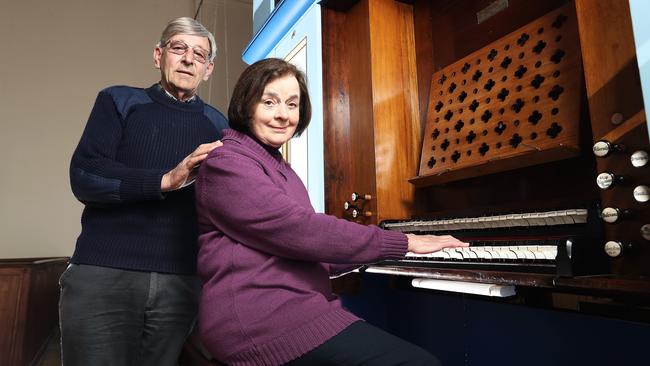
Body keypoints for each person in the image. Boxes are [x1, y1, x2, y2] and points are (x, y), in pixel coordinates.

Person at [194, 58, 469, 366]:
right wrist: (404, 241)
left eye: (292, 104)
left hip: (293, 310)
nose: (283, 115)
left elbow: (314, 252)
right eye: (269, 102)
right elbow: (298, 230)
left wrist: (396, 252)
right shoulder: (227, 162)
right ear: (245, 105)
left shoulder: (281, 169)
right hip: (257, 321)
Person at [60, 17, 228, 366]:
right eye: (178, 48)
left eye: (199, 54)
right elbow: (86, 174)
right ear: (158, 55)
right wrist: (165, 180)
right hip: (102, 273)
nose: (188, 59)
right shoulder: (118, 100)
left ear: (208, 69)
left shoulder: (219, 126)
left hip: (181, 281)